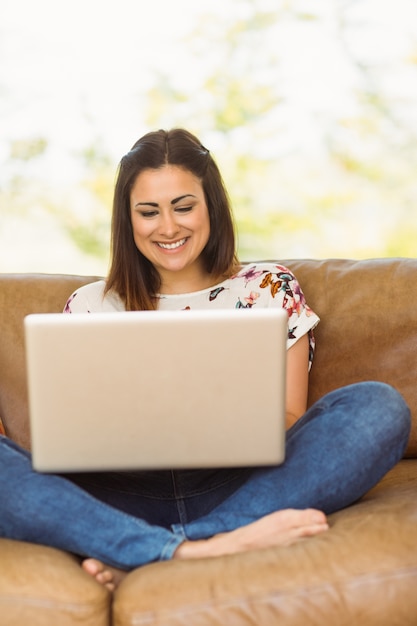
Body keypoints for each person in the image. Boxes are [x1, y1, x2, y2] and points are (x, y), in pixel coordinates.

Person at [0, 128, 411, 592]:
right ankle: (203, 546)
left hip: (242, 485)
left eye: (183, 206)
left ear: (210, 205)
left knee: (379, 406)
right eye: (149, 212)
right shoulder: (90, 304)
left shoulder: (269, 287)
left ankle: (153, 549)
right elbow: (70, 436)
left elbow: (292, 418)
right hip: (117, 493)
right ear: (127, 219)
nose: (169, 227)